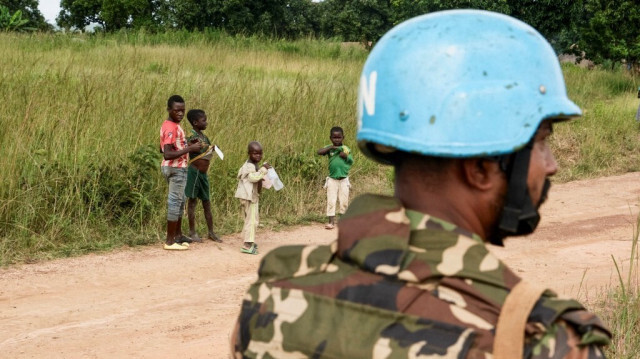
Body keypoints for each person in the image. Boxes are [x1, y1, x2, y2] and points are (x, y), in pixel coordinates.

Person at [231, 10, 611, 358]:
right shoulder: (544, 343)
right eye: (542, 141)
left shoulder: (273, 296)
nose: (552, 166)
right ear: (480, 167)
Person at [159, 95, 202, 251]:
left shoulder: (169, 125)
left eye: (183, 110)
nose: (180, 113)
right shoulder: (171, 127)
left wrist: (186, 144)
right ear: (169, 109)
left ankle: (178, 235)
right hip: (176, 168)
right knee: (175, 203)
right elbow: (167, 154)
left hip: (176, 167)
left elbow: (163, 147)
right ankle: (170, 241)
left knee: (180, 201)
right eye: (177, 110)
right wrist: (189, 149)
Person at [184, 109, 222, 243]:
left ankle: (211, 232)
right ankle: (192, 232)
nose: (206, 122)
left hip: (203, 174)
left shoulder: (204, 137)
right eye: (203, 120)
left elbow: (205, 149)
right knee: (192, 202)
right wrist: (191, 144)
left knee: (207, 202)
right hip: (194, 172)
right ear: (195, 122)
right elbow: (186, 146)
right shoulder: (191, 135)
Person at [234, 141, 271, 255]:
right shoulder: (249, 165)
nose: (258, 156)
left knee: (249, 219)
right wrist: (264, 170)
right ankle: (247, 245)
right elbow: (253, 178)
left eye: (260, 153)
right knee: (252, 221)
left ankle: (248, 241)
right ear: (249, 153)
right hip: (249, 198)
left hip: (250, 196)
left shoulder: (253, 164)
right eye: (255, 153)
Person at [317, 126, 354, 230]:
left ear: (343, 137)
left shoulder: (346, 149)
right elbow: (319, 152)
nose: (336, 140)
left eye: (339, 138)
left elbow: (351, 161)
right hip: (332, 180)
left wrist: (345, 156)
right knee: (331, 200)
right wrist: (330, 148)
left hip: (344, 180)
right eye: (334, 138)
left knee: (344, 201)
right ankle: (331, 222)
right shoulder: (329, 149)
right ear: (330, 138)